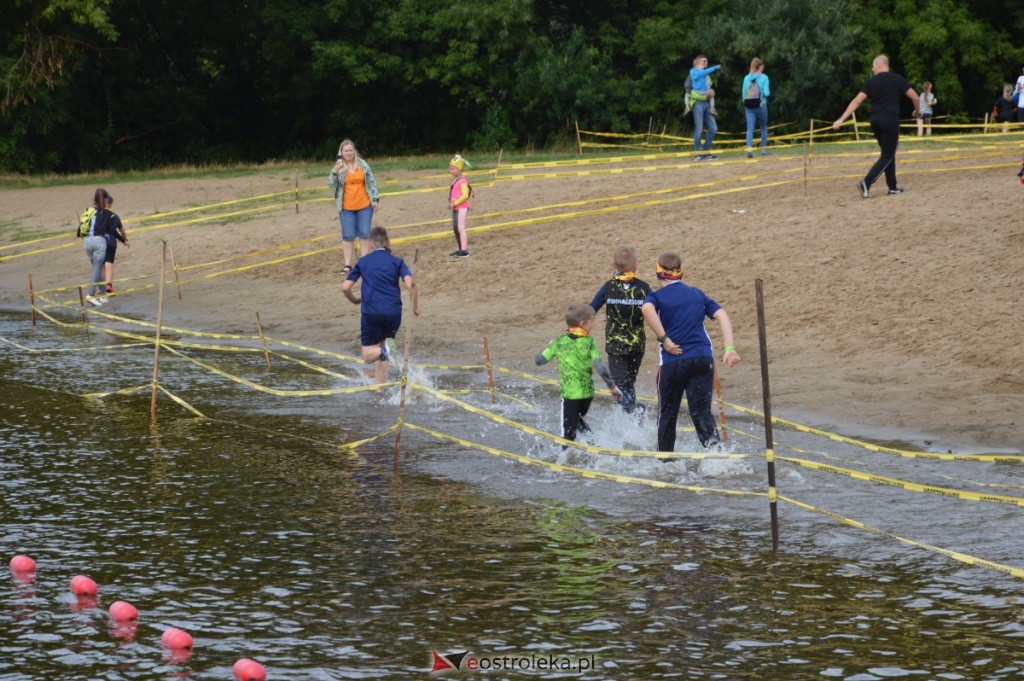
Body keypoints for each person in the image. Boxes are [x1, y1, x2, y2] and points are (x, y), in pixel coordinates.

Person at [640, 252, 740, 451]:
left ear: (657, 273)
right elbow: (721, 314)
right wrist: (729, 348)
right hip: (702, 359)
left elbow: (646, 310)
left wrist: (665, 339)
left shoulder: (655, 296)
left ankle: (665, 460)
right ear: (680, 273)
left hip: (672, 360)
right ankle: (716, 456)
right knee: (702, 412)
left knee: (667, 414)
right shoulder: (696, 293)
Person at [832, 55, 920, 198]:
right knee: (887, 154)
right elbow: (915, 97)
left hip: (875, 122)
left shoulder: (870, 82)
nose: (872, 69)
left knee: (888, 152)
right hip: (890, 122)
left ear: (879, 65)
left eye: (873, 66)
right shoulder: (898, 79)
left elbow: (856, 101)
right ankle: (866, 183)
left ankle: (892, 187)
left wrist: (841, 119)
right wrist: (918, 111)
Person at [535, 303, 622, 445]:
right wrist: (612, 388)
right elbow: (600, 367)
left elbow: (539, 361)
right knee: (577, 419)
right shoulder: (589, 341)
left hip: (570, 395)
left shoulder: (559, 341)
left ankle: (583, 450)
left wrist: (551, 345)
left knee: (568, 436)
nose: (592, 326)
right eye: (591, 323)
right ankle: (592, 444)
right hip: (587, 395)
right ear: (582, 324)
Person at [342, 227, 419, 384]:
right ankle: (379, 387)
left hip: (371, 313)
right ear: (389, 243)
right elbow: (410, 285)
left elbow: (345, 287)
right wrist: (415, 307)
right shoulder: (398, 262)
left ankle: (386, 352)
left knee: (368, 355)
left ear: (370, 245)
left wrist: (353, 299)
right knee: (385, 351)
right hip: (393, 314)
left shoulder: (363, 262)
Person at [589, 245, 652, 414]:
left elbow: (591, 309)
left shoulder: (609, 287)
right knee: (628, 382)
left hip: (616, 346)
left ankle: (635, 411)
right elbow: (656, 312)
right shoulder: (644, 288)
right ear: (636, 265)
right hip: (637, 345)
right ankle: (633, 425)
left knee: (620, 386)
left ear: (613, 265)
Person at [328, 139, 380, 277]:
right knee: (348, 236)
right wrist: (334, 172)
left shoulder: (363, 165)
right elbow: (331, 185)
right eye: (346, 151)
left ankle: (364, 263)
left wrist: (375, 200)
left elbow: (371, 182)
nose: (349, 153)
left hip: (364, 205)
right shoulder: (338, 167)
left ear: (354, 151)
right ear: (341, 152)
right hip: (346, 207)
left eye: (351, 150)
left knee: (364, 234)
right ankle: (347, 265)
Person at [79, 188, 115, 307]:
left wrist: (78, 234)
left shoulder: (88, 210)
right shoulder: (107, 212)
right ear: (105, 199)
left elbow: (81, 226)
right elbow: (112, 230)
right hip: (99, 242)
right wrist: (124, 240)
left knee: (96, 268)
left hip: (86, 242)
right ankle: (90, 294)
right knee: (97, 268)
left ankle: (104, 296)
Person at [689, 55, 720, 160]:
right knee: (699, 128)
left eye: (707, 61)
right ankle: (697, 154)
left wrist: (711, 91)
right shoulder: (693, 73)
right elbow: (688, 92)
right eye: (704, 61)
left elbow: (708, 88)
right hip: (698, 103)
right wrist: (703, 96)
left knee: (714, 128)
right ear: (697, 63)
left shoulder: (706, 75)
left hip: (707, 104)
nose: (706, 63)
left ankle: (706, 152)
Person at [742, 57, 771, 158]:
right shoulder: (764, 78)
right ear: (761, 67)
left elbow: (743, 94)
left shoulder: (746, 78)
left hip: (749, 106)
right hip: (761, 105)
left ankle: (749, 150)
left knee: (749, 129)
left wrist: (747, 103)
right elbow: (767, 93)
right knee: (763, 127)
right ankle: (763, 150)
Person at [102, 195, 129, 295]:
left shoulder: (99, 215)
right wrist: (125, 240)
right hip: (111, 243)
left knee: (102, 265)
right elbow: (122, 230)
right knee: (109, 263)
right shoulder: (115, 216)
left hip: (100, 242)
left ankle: (101, 288)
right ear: (110, 204)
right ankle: (108, 285)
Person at [448, 154, 472, 258]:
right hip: (456, 208)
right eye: (450, 169)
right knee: (455, 228)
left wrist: (454, 203)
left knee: (461, 228)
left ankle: (464, 250)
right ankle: (460, 249)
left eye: (453, 169)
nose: (451, 171)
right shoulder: (456, 180)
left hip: (461, 208)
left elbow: (465, 195)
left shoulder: (462, 181)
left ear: (459, 169)